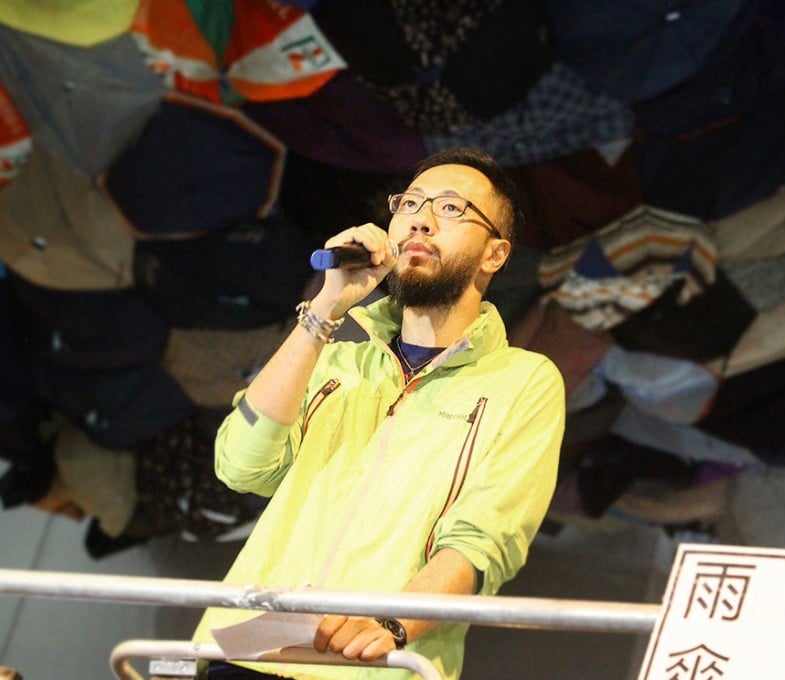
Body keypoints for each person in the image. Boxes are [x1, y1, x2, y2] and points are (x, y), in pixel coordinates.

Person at [192, 147, 566, 679]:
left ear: (495, 255)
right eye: (409, 202)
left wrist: (390, 624)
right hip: (244, 653)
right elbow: (239, 464)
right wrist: (324, 310)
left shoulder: (522, 380)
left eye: (452, 208)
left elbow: (486, 538)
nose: (421, 218)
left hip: (376, 663)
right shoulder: (338, 354)